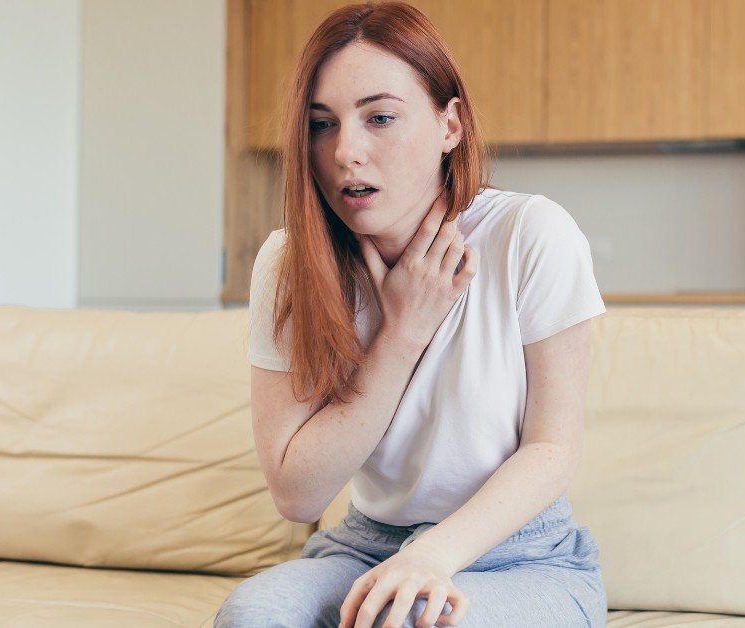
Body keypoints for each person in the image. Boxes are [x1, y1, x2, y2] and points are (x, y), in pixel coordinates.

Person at [214, 2, 608, 627]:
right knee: (253, 614)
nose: (346, 151)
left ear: (449, 124)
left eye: (380, 118)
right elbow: (298, 494)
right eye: (323, 124)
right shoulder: (289, 263)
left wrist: (432, 557)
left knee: (408, 621)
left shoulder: (532, 233)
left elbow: (552, 448)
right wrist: (400, 334)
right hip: (364, 544)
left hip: (521, 555)